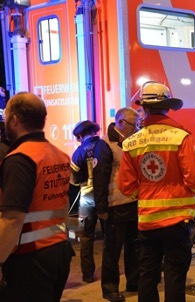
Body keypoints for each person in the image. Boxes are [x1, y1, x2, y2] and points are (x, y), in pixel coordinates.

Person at [118, 81, 195, 302]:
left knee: (148, 275)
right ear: (167, 107)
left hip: (147, 222)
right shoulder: (180, 137)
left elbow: (125, 186)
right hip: (177, 223)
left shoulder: (131, 143)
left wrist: (148, 193)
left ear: (144, 108)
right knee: (175, 275)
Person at [0, 92, 74, 301]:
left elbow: (12, 219)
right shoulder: (58, 154)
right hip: (59, 250)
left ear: (14, 119)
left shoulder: (20, 159)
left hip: (30, 259)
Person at [94, 107, 141, 302]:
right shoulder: (105, 144)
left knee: (134, 247)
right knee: (112, 251)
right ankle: (110, 288)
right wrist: (102, 208)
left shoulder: (130, 142)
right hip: (115, 206)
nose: (137, 129)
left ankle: (134, 282)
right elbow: (100, 177)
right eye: (133, 125)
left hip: (133, 203)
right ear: (121, 123)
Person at [70, 119, 109, 283]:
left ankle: (88, 275)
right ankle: (109, 271)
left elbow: (74, 180)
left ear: (80, 136)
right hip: (105, 196)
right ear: (94, 131)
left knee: (86, 237)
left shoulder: (78, 153)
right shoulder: (104, 146)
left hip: (86, 198)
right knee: (109, 236)